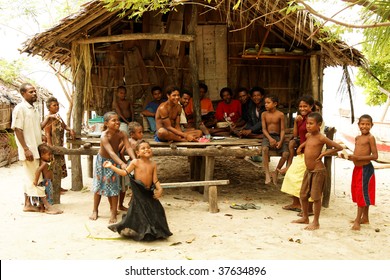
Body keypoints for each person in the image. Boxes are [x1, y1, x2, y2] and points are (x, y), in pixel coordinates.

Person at [104, 140, 172, 241]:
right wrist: (111, 166)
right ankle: (143, 231)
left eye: (148, 147)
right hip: (139, 191)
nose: (146, 149)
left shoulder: (153, 164)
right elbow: (124, 173)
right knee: (140, 212)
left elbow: (155, 180)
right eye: (143, 148)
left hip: (148, 192)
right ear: (138, 153)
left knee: (157, 211)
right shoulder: (135, 162)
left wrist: (160, 188)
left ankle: (154, 231)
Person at [11, 83, 61, 213]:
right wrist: (26, 149)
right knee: (36, 177)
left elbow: (38, 128)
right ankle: (46, 206)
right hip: (29, 150)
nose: (34, 94)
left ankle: (28, 204)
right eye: (31, 92)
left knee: (29, 176)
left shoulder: (33, 109)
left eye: (35, 92)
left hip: (36, 148)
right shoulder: (20, 108)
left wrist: (48, 118)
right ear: (23, 93)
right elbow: (17, 129)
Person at [292, 112, 342, 230]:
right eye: (307, 123)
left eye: (311, 123)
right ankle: (305, 217)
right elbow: (308, 142)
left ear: (319, 125)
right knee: (303, 195)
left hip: (318, 170)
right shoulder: (309, 135)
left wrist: (324, 153)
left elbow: (338, 147)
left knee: (316, 197)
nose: (308, 126)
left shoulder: (321, 137)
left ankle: (316, 222)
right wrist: (301, 146)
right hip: (308, 170)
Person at [89, 111, 136, 224]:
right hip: (103, 161)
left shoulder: (122, 134)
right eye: (113, 120)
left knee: (114, 186)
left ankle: (113, 212)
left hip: (114, 161)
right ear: (106, 123)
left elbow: (128, 147)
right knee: (99, 185)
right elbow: (111, 153)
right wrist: (122, 163)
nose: (117, 122)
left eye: (118, 120)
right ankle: (95, 210)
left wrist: (134, 159)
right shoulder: (104, 136)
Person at [341, 114, 378, 231]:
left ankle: (358, 220)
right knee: (360, 191)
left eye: (367, 124)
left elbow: (375, 156)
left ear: (372, 125)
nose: (365, 126)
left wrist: (358, 158)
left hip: (366, 169)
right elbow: (357, 153)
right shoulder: (357, 138)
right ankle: (365, 218)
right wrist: (349, 157)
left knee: (362, 193)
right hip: (357, 169)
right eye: (362, 124)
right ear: (358, 125)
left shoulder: (370, 138)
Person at [280, 95, 316, 213]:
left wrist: (301, 146)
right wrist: (296, 122)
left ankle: (309, 209)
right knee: (292, 176)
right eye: (300, 106)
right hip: (302, 152)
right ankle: (296, 203)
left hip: (309, 152)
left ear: (311, 106)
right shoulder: (302, 118)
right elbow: (296, 134)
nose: (302, 108)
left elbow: (314, 136)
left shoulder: (313, 118)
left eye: (305, 106)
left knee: (305, 179)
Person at [43, 97, 75, 193]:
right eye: (54, 105)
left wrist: (70, 130)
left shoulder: (58, 116)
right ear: (49, 107)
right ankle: (54, 188)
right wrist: (50, 147)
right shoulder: (48, 118)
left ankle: (58, 187)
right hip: (53, 146)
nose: (57, 107)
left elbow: (64, 126)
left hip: (59, 145)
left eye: (57, 105)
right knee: (53, 167)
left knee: (59, 166)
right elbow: (47, 134)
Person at [261, 95, 289, 185]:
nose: (266, 104)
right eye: (265, 103)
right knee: (265, 149)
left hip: (278, 136)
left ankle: (276, 171)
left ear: (275, 104)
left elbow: (282, 130)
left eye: (268, 103)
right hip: (267, 136)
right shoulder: (264, 114)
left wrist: (280, 141)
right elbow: (264, 129)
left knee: (286, 154)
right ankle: (267, 173)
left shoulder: (280, 114)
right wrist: (270, 139)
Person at [118, 121, 144, 211]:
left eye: (142, 132)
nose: (142, 134)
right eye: (139, 132)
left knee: (137, 185)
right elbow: (121, 152)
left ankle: (131, 203)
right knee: (125, 186)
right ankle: (120, 204)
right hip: (131, 164)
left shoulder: (141, 142)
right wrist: (125, 162)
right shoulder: (129, 141)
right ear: (132, 134)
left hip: (139, 165)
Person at [32, 143, 63, 214]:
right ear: (42, 155)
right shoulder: (43, 163)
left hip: (48, 181)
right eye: (48, 154)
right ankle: (45, 208)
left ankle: (42, 208)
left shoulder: (45, 162)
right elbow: (38, 171)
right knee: (47, 194)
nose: (50, 156)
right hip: (46, 182)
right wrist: (35, 181)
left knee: (46, 194)